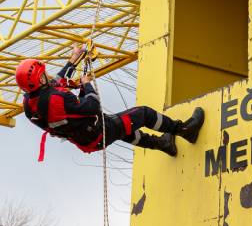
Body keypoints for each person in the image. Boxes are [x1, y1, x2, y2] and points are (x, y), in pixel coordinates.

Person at [16, 45, 205, 158]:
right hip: (98, 132)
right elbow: (92, 106)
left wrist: (73, 61)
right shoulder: (58, 99)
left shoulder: (29, 104)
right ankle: (185, 130)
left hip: (86, 139)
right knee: (143, 114)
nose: (49, 74)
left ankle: (164, 145)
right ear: (41, 80)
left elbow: (55, 83)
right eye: (44, 74)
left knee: (124, 129)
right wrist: (87, 85)